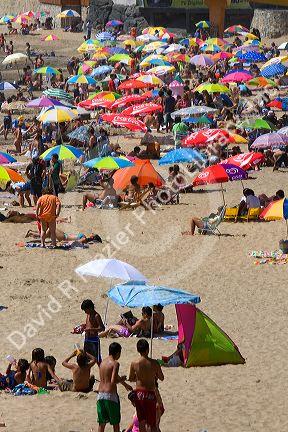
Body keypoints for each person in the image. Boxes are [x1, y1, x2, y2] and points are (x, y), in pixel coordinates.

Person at [129, 339, 164, 432]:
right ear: (148, 350)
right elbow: (161, 377)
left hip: (139, 393)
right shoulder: (154, 363)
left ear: (138, 350)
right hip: (150, 393)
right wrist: (154, 374)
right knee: (151, 423)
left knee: (141, 422)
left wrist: (139, 376)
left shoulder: (134, 363)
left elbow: (131, 378)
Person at [97, 342, 132, 432]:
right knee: (115, 423)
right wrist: (122, 379)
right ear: (117, 353)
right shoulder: (115, 363)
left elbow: (112, 376)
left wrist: (125, 385)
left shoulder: (102, 363)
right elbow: (113, 381)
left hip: (100, 394)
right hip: (110, 396)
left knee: (102, 423)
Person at [81, 299, 105, 365]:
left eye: (85, 310)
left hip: (94, 340)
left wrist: (91, 329)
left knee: (98, 359)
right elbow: (88, 325)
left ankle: (102, 373)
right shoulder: (88, 314)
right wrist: (83, 326)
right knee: (85, 358)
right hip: (87, 339)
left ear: (90, 308)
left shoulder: (96, 316)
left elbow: (102, 328)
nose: (85, 312)